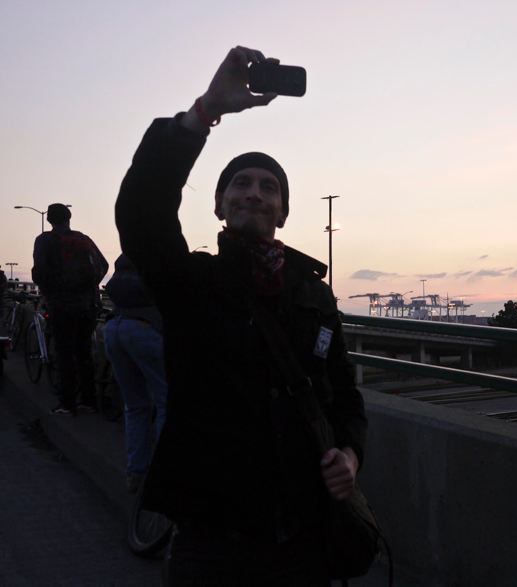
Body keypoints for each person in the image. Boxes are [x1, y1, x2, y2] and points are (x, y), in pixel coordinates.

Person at [116, 46, 367, 585]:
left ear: (283, 210)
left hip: (304, 538)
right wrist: (206, 111)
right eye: (241, 184)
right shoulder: (192, 282)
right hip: (212, 542)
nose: (254, 193)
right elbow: (142, 212)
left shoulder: (313, 296)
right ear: (219, 204)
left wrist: (350, 454)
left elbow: (344, 394)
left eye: (268, 187)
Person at [32, 203, 108, 415]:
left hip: (61, 305)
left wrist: (51, 291)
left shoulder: (45, 240)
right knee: (84, 351)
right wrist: (88, 288)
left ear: (49, 220)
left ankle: (68, 403)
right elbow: (103, 264)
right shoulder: (83, 239)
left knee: (65, 353)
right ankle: (89, 401)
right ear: (69, 218)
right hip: (88, 305)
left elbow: (39, 272)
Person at [103, 254, 167, 493]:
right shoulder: (161, 260)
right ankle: (164, 471)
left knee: (135, 404)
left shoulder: (125, 263)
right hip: (144, 331)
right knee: (166, 402)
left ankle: (136, 471)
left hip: (114, 328)